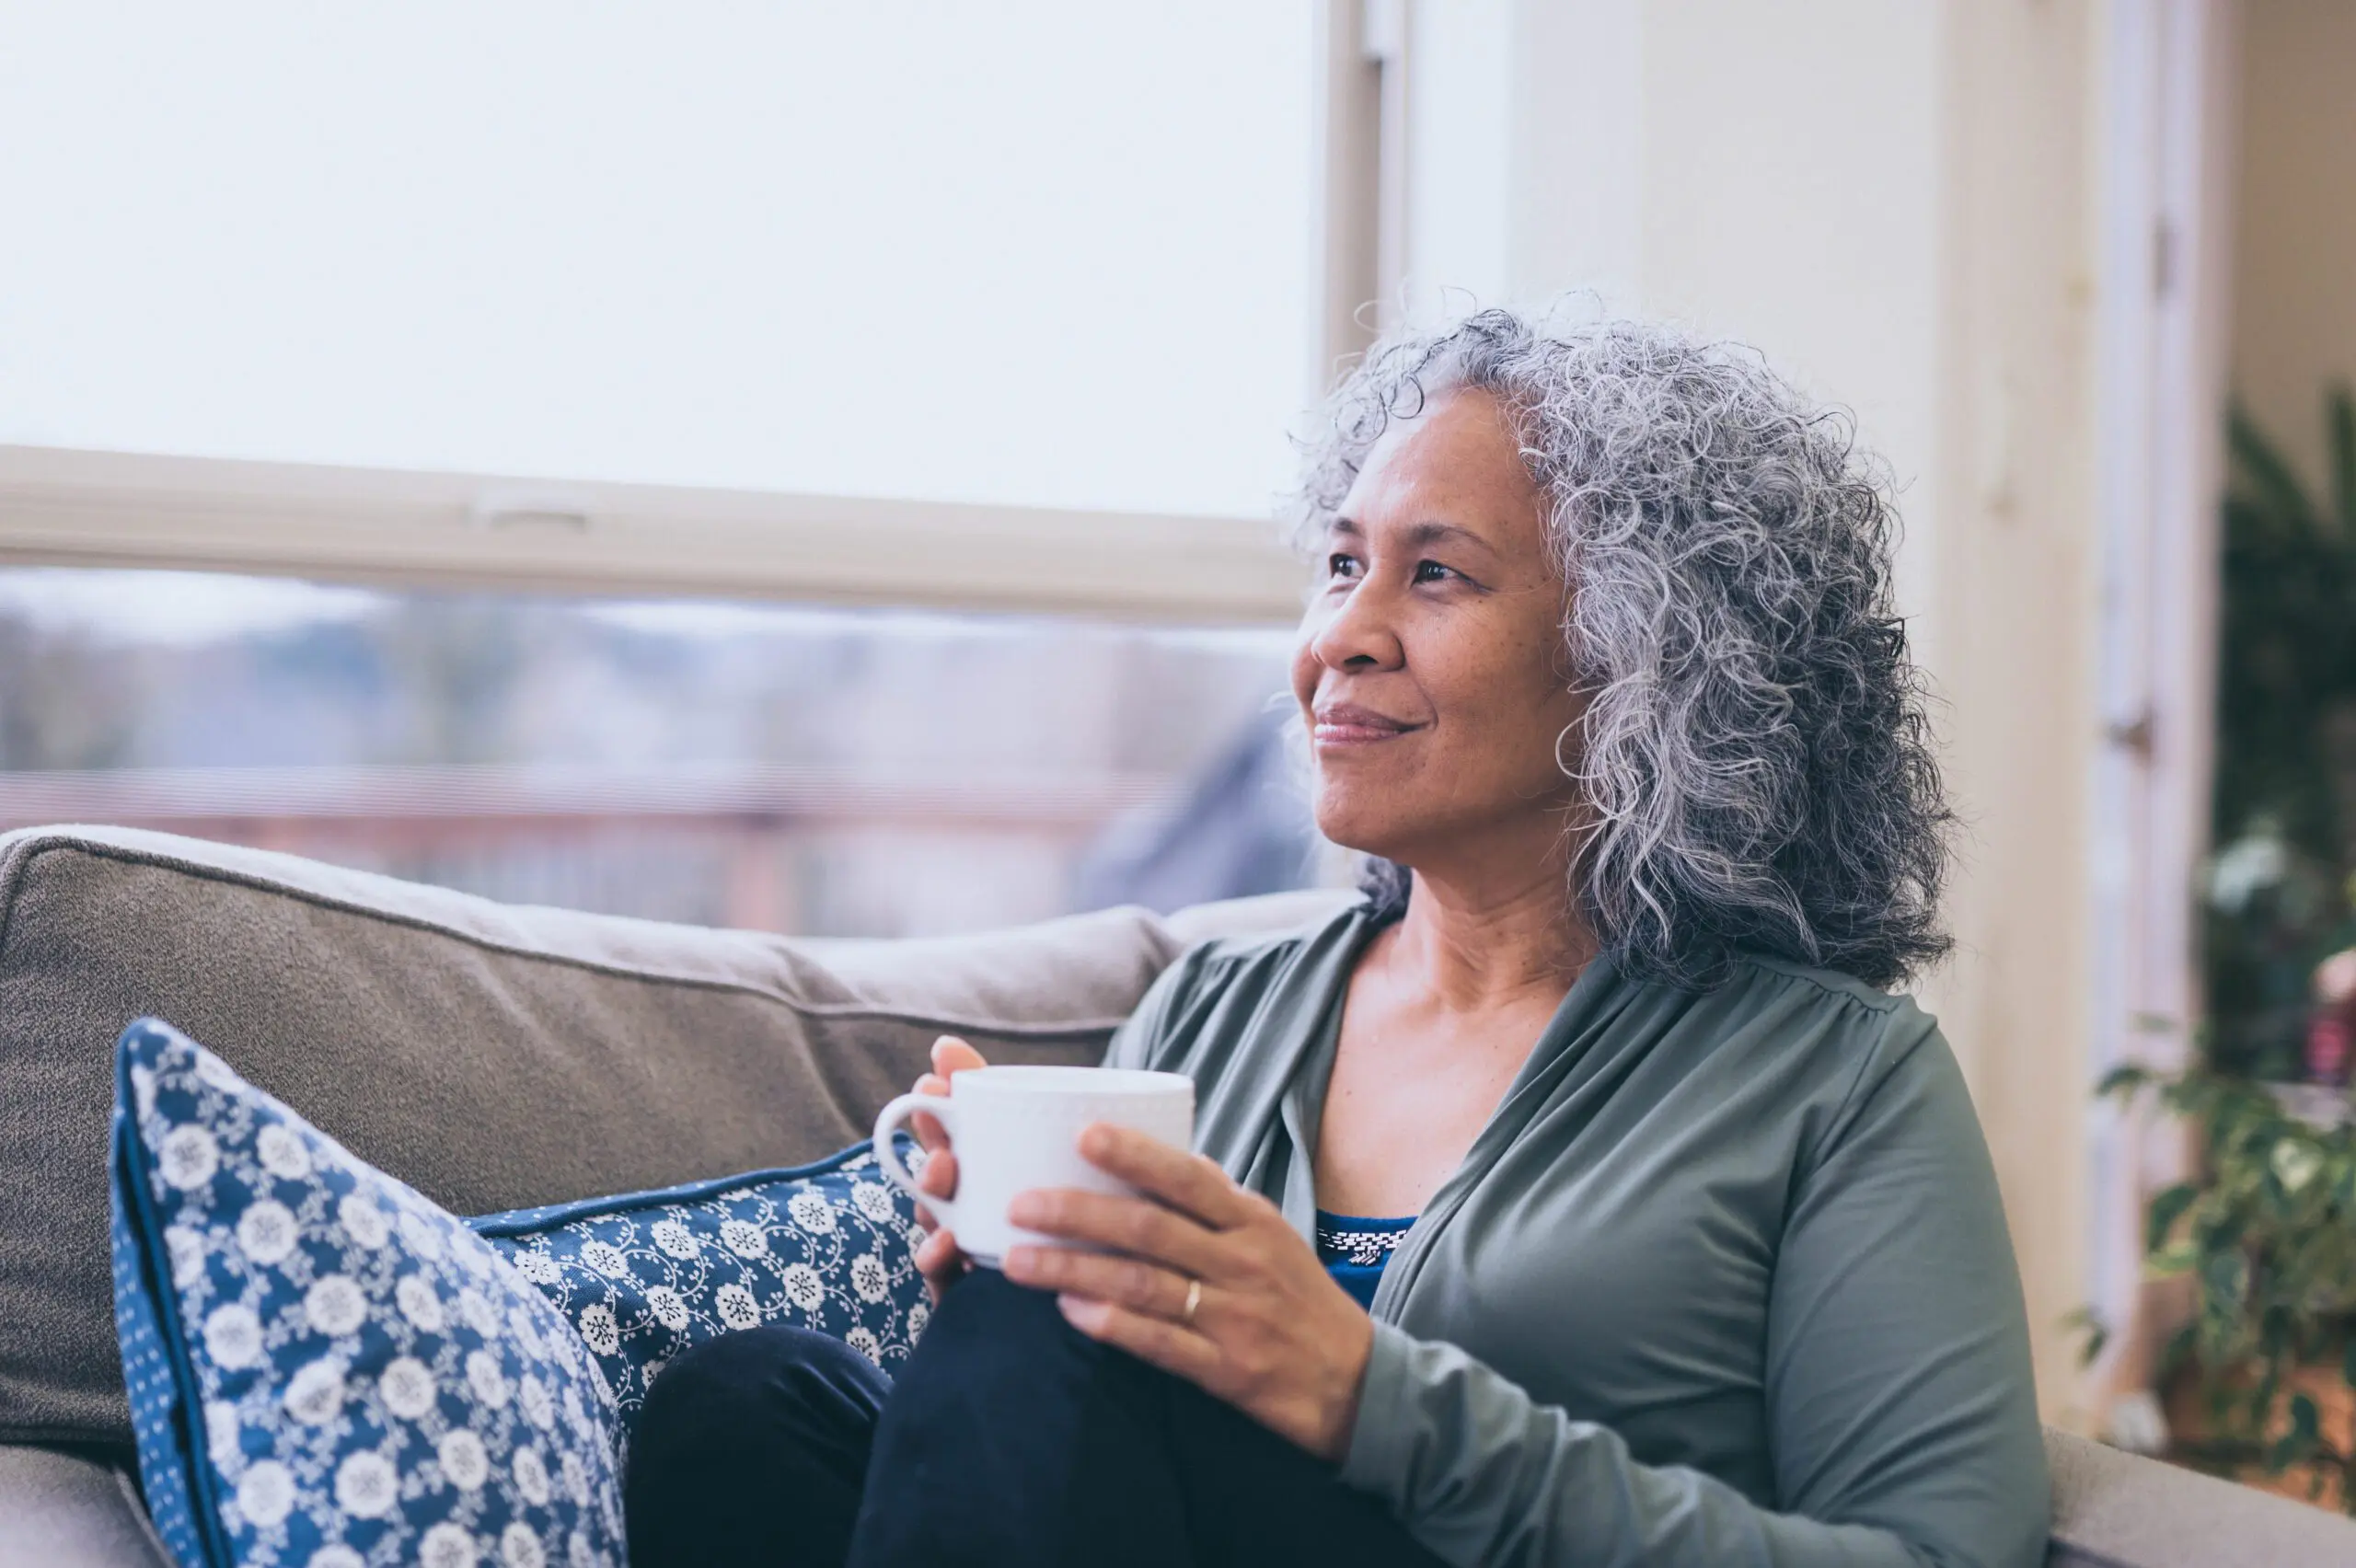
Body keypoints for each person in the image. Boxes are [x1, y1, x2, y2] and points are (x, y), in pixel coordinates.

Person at [624, 307, 2050, 1567]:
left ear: (1646, 662)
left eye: (1438, 577)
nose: (1341, 637)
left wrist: (1371, 1399)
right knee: (748, 1411)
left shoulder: (1836, 1084)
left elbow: (1941, 1553)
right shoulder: (1214, 1008)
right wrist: (1002, 1286)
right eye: (1342, 563)